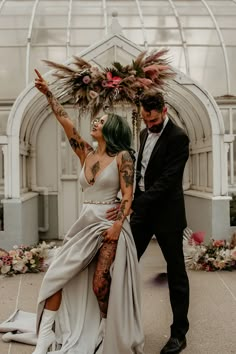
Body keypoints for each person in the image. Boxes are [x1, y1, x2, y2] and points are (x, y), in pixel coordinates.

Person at [0, 69, 145, 354]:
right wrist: (49, 94)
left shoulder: (123, 157)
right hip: (83, 224)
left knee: (101, 282)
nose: (96, 122)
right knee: (57, 274)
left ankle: (104, 329)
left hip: (108, 223)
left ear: (113, 129)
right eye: (96, 119)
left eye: (101, 121)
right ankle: (44, 338)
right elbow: (67, 123)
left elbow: (128, 194)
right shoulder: (86, 153)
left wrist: (117, 226)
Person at [108, 90, 190, 354]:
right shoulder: (143, 133)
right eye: (145, 119)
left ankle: (179, 334)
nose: (149, 125)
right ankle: (117, 326)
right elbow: (142, 172)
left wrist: (133, 205)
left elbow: (167, 182)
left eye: (153, 120)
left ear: (164, 111)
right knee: (123, 263)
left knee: (176, 274)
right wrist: (128, 196)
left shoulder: (179, 138)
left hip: (168, 215)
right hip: (142, 215)